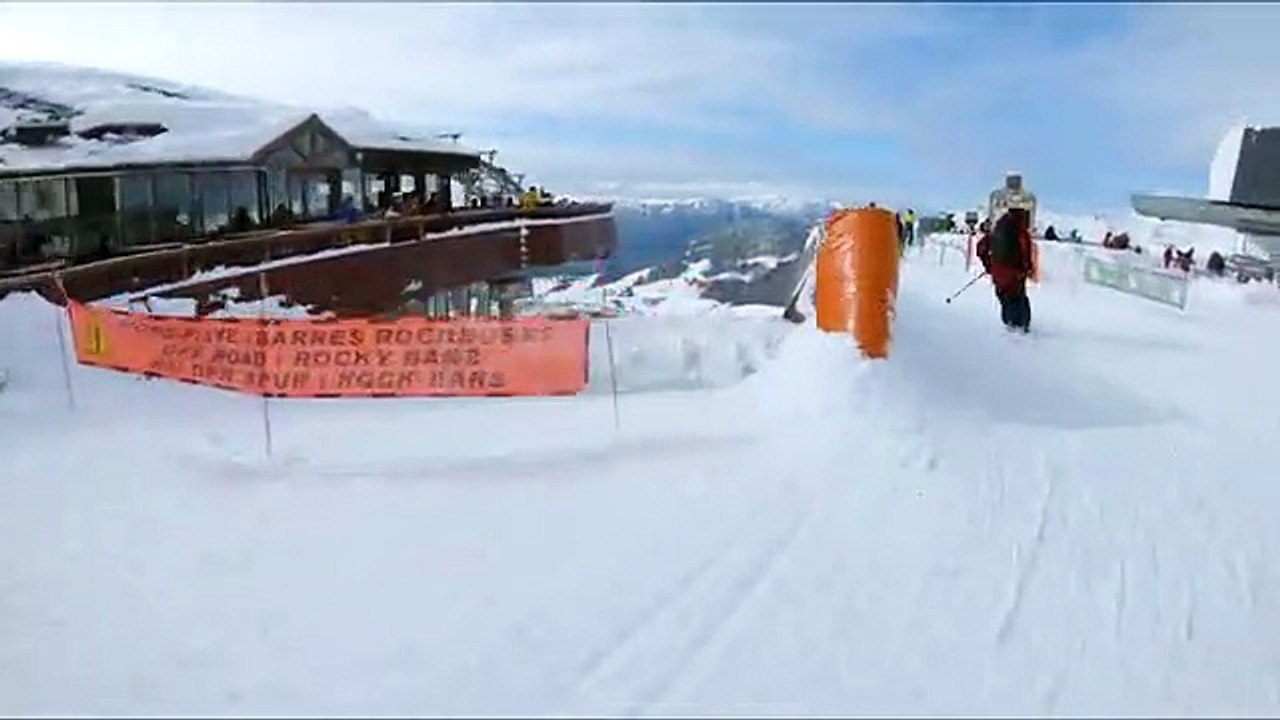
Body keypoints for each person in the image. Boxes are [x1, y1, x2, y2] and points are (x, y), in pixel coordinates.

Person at [975, 208, 1035, 333]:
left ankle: (1010, 327)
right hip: (1015, 275)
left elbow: (981, 248)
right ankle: (1021, 331)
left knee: (1006, 300)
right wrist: (1026, 268)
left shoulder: (998, 229)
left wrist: (989, 265)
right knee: (1019, 300)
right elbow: (1025, 252)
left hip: (998, 273)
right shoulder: (1021, 232)